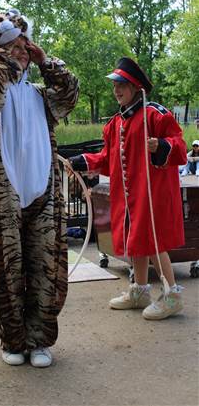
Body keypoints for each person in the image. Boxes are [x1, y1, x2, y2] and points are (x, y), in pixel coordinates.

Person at [0, 8, 79, 367]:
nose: (21, 51)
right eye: (11, 46)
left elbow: (69, 92)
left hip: (44, 192)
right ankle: (13, 340)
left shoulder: (40, 95)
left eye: (24, 45)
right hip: (5, 192)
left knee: (46, 265)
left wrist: (45, 61)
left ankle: (40, 340)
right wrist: (2, 54)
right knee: (7, 267)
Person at [68, 57, 186, 320]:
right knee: (136, 241)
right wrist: (80, 161)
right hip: (127, 194)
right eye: (115, 86)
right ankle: (140, 291)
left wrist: (162, 146)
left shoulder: (157, 114)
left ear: (135, 86)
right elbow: (108, 159)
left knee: (153, 242)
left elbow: (180, 147)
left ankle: (172, 295)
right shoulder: (115, 123)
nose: (117, 90)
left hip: (151, 192)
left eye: (122, 84)